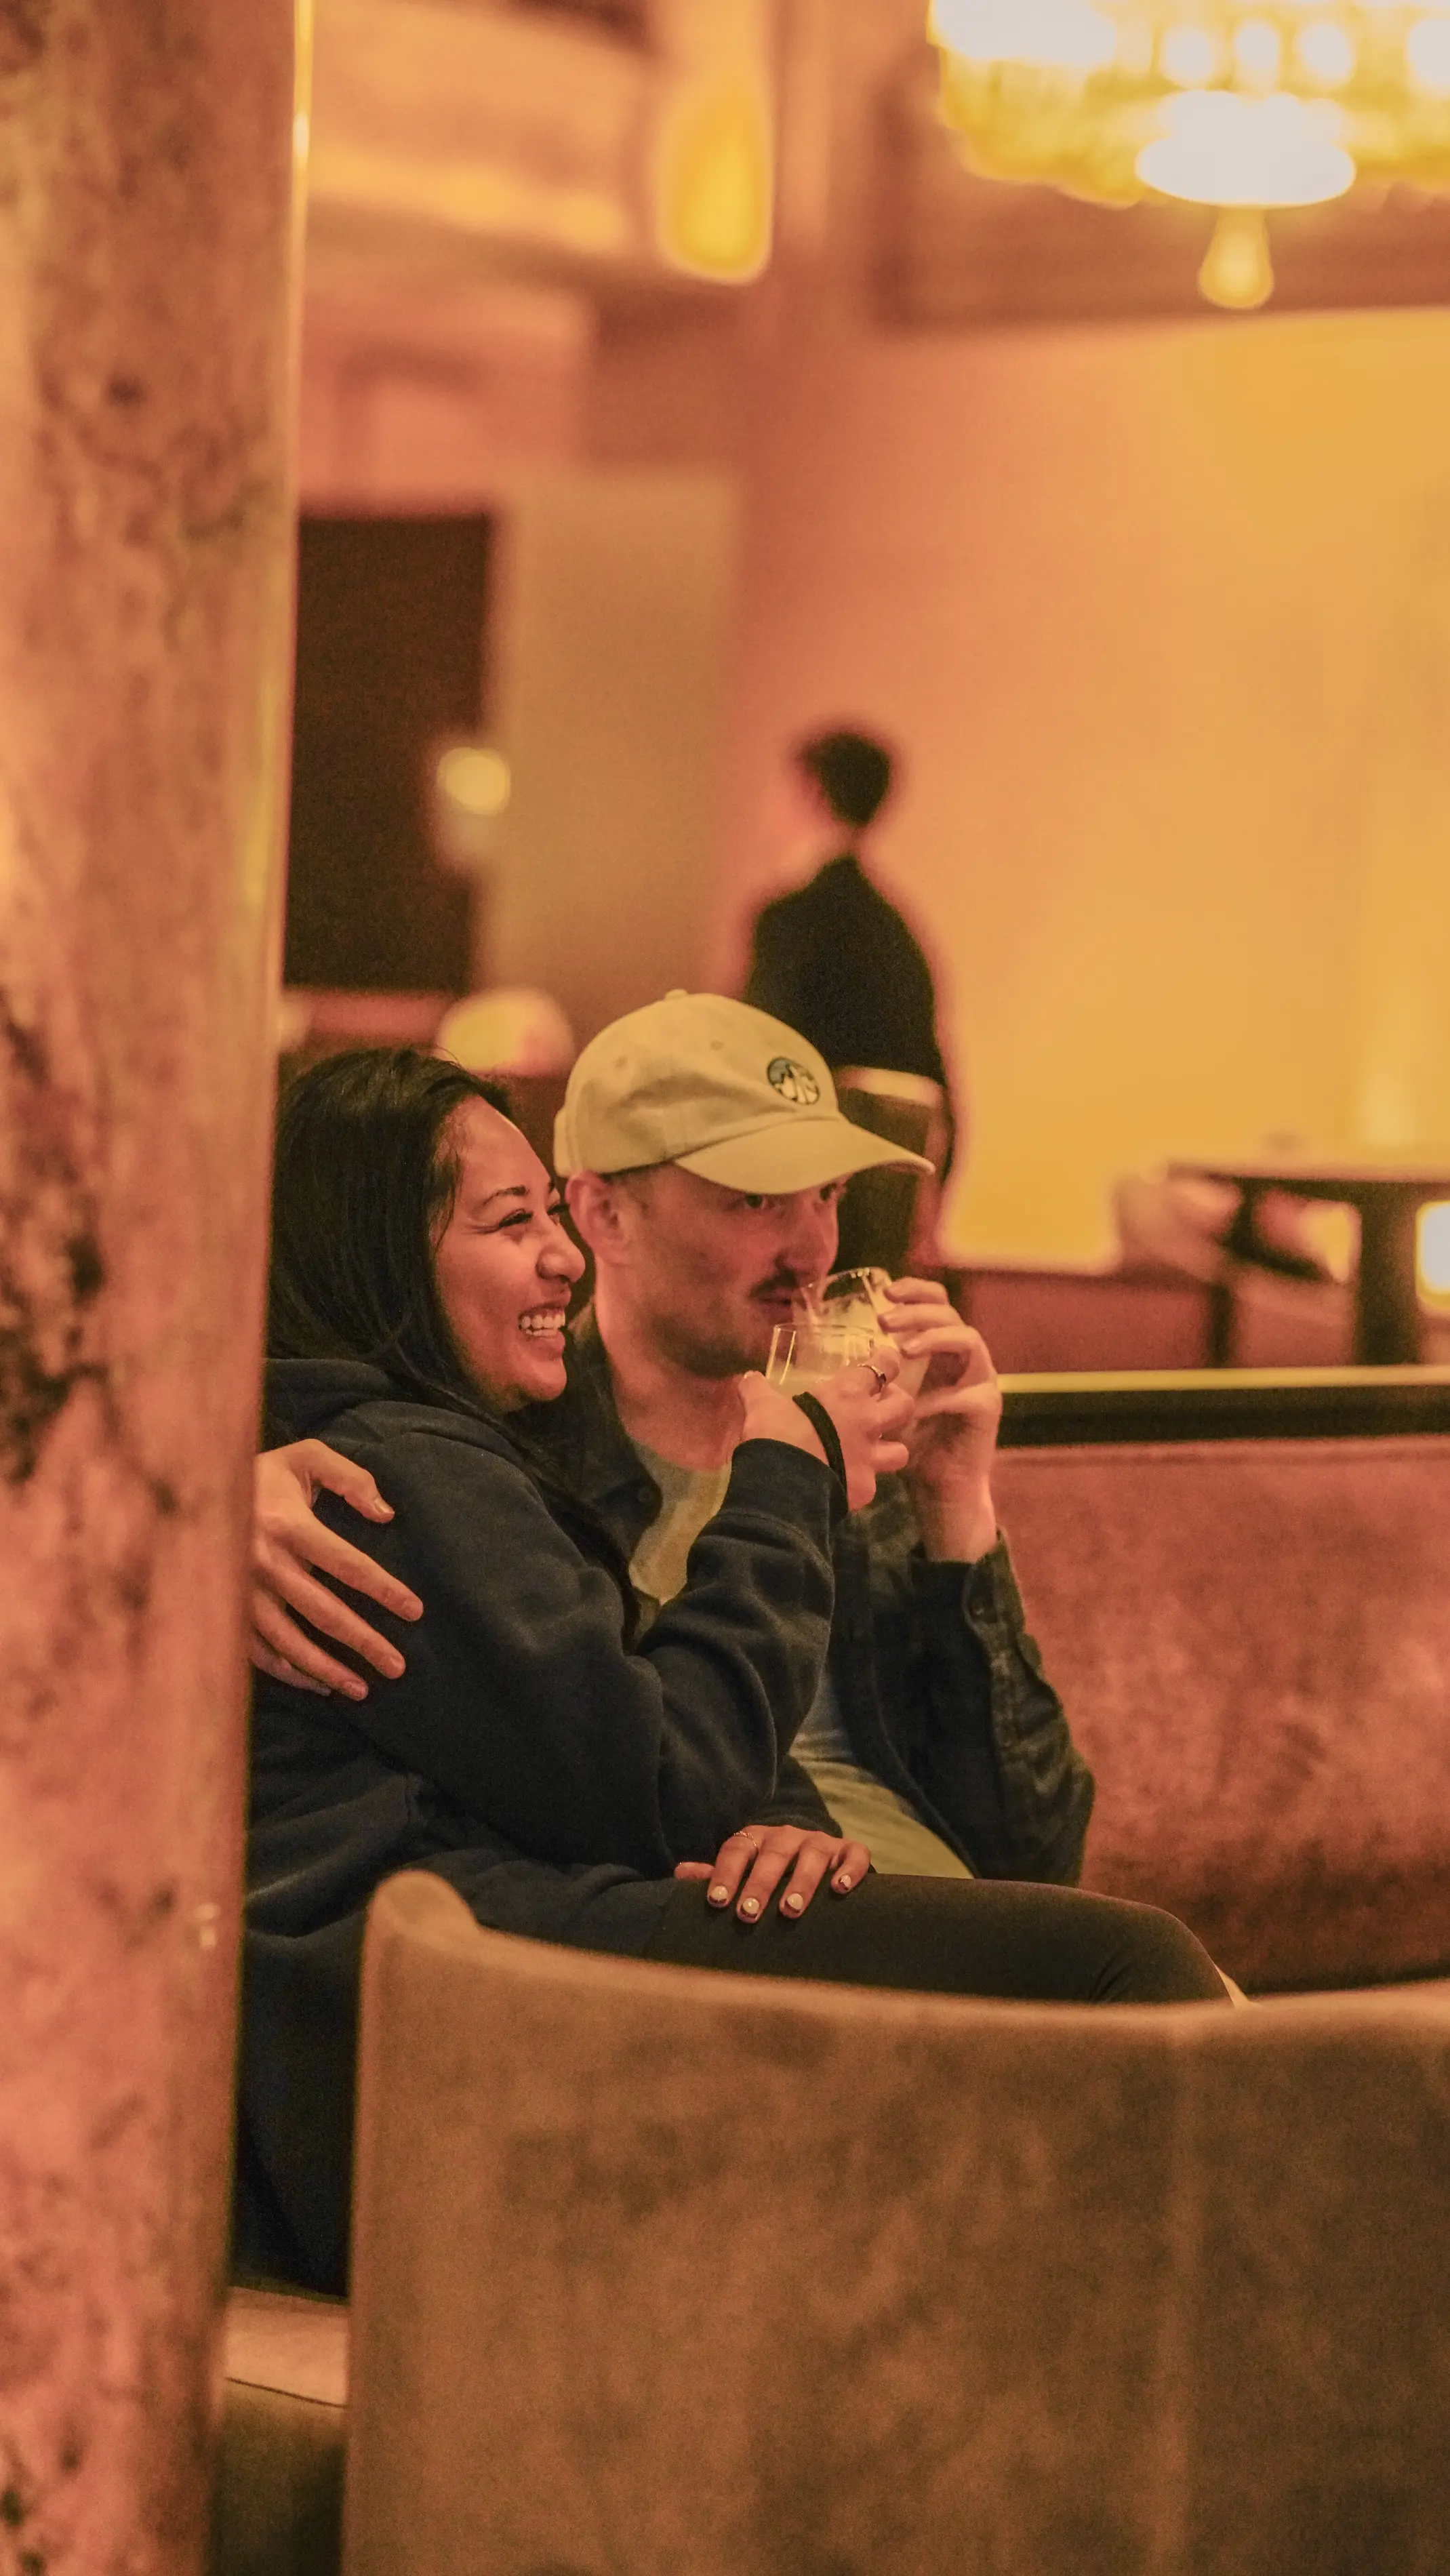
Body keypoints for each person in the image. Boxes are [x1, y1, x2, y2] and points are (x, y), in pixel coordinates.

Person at [245, 1026, 1226, 2294]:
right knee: (1137, 1988)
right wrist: (784, 1482)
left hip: (774, 1921)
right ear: (610, 1213)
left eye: (823, 1194)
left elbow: (1031, 1845)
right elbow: (641, 1764)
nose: (811, 1245)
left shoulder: (840, 1450)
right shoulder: (469, 1455)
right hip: (476, 2000)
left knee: (1163, 2001)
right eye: (753, 1197)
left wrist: (954, 1520)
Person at [744, 727, 959, 1176]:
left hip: (811, 1176)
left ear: (809, 792)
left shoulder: (791, 920)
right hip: (889, 1177)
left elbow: (760, 1060)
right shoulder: (896, 930)